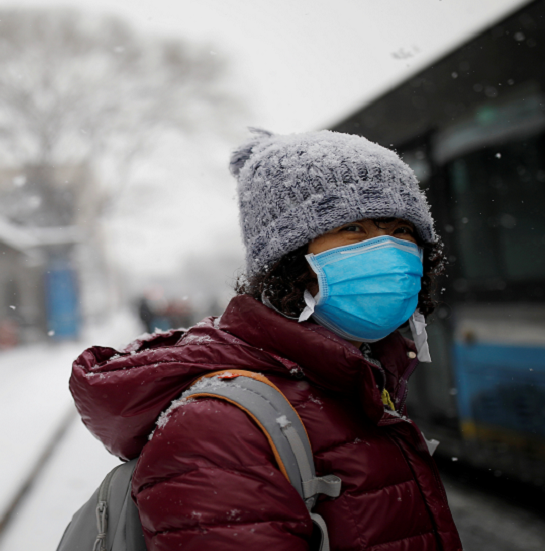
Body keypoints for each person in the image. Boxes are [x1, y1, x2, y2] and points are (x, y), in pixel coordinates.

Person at [70, 129, 462, 551]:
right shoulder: (219, 428)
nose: (386, 249)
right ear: (289, 258)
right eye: (353, 228)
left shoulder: (361, 381)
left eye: (402, 230)